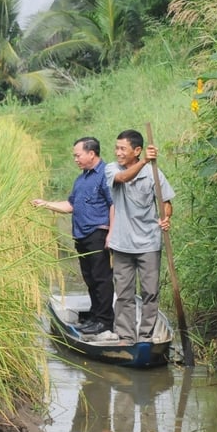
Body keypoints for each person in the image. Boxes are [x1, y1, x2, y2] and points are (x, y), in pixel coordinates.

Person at [32, 137, 115, 338]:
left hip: (98, 233)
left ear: (91, 153)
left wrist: (112, 233)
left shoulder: (105, 175)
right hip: (81, 235)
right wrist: (46, 204)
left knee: (101, 278)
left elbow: (114, 204)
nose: (75, 159)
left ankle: (105, 322)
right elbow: (71, 206)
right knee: (90, 278)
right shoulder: (81, 179)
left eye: (78, 155)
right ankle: (94, 317)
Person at [105, 129, 174, 344]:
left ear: (136, 150)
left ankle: (145, 336)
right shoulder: (111, 169)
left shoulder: (155, 173)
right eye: (117, 148)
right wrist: (144, 161)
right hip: (122, 244)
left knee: (150, 292)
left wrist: (165, 217)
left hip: (149, 244)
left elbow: (166, 203)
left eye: (122, 148)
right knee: (124, 294)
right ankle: (126, 336)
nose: (118, 152)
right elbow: (124, 177)